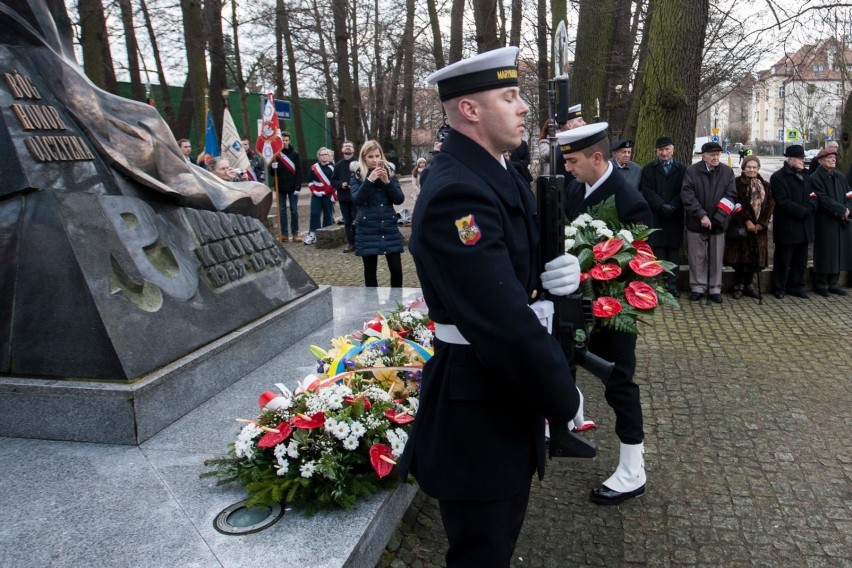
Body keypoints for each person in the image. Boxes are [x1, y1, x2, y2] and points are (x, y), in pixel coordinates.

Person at [398, 47, 583, 567]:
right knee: (482, 553)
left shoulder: (491, 172)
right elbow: (501, 322)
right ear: (470, 111)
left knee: (497, 543)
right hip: (477, 406)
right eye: (510, 96)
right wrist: (560, 391)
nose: (524, 107)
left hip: (499, 392)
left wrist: (553, 278)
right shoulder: (459, 192)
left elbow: (511, 276)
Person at [557, 122, 653, 506]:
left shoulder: (630, 200)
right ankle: (567, 413)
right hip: (575, 303)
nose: (568, 168)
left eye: (573, 160)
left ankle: (633, 469)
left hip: (613, 311)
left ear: (598, 157)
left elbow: (643, 263)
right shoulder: (573, 186)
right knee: (561, 359)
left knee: (619, 384)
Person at [681, 141, 737, 303]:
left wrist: (719, 217)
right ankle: (698, 287)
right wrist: (702, 215)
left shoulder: (727, 172)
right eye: (712, 155)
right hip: (697, 222)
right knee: (696, 256)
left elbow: (731, 195)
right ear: (703, 156)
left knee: (716, 256)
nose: (715, 157)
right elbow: (687, 195)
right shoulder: (692, 171)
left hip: (719, 223)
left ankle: (714, 288)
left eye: (718, 154)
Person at [350, 140, 406, 287]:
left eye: (377, 155)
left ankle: (396, 303)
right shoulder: (357, 176)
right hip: (367, 228)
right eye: (370, 157)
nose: (375, 160)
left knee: (396, 269)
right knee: (370, 271)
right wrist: (369, 180)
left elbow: (399, 199)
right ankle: (372, 305)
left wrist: (387, 182)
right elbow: (357, 200)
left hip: (388, 226)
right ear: (364, 158)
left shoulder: (390, 173)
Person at [639, 136, 687, 297]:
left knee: (673, 253)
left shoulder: (682, 169)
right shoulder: (648, 169)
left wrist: (673, 205)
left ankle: (672, 286)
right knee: (657, 252)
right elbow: (647, 190)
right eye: (661, 149)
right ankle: (657, 286)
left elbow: (685, 190)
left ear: (673, 150)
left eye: (667, 149)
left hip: (675, 216)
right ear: (656, 151)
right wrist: (661, 205)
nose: (664, 152)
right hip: (656, 215)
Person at [769, 145, 817, 299]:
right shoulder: (778, 177)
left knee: (801, 259)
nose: (803, 161)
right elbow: (782, 201)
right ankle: (779, 287)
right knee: (783, 259)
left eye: (803, 158)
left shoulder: (806, 175)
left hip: (804, 226)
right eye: (800, 158)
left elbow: (813, 195)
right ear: (790, 159)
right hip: (787, 225)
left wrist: (811, 207)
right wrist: (803, 211)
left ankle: (797, 286)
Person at [723, 156, 773, 299]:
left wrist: (761, 223)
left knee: (754, 258)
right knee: (740, 258)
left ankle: (749, 284)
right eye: (749, 167)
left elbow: (770, 205)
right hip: (741, 227)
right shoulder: (736, 184)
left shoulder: (765, 185)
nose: (751, 170)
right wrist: (746, 221)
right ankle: (738, 284)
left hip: (759, 229)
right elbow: (735, 203)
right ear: (743, 168)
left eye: (754, 167)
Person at [809, 146, 852, 296]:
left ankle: (834, 283)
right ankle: (821, 284)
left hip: (842, 220)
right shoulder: (815, 177)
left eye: (834, 157)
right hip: (825, 220)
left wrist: (848, 209)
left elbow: (849, 194)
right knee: (826, 252)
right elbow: (822, 199)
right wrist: (841, 210)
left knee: (839, 251)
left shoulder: (840, 176)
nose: (833, 159)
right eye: (829, 157)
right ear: (821, 160)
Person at [303, 147, 336, 245]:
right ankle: (312, 234)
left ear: (329, 156)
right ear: (319, 156)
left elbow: (333, 182)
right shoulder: (314, 167)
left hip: (328, 195)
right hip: (316, 195)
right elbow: (309, 181)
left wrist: (325, 192)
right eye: (322, 155)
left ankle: (325, 235)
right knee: (314, 213)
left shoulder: (333, 167)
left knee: (328, 215)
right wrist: (314, 191)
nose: (324, 156)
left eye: (326, 154)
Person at [274, 131, 302, 242]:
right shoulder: (276, 155)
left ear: (289, 141)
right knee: (282, 210)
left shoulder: (295, 154)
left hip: (292, 186)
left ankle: (295, 233)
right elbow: (272, 173)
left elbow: (299, 171)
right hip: (280, 187)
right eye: (282, 140)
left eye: (286, 140)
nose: (284, 142)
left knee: (294, 210)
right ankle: (284, 234)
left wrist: (298, 187)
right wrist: (273, 167)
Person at [332, 141, 358, 253]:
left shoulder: (358, 163)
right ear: (342, 149)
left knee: (357, 220)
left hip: (356, 197)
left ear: (353, 149)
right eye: (345, 146)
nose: (347, 147)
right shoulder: (337, 165)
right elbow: (333, 181)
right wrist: (341, 184)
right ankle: (351, 243)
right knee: (347, 222)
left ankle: (360, 242)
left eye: (350, 146)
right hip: (343, 197)